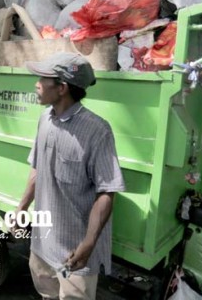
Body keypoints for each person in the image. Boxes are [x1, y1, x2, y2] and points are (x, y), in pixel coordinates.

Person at [14, 52, 125, 300]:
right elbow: (37, 169)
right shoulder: (45, 119)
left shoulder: (97, 131)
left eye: (43, 79)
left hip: (75, 252)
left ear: (62, 87)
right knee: (47, 294)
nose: (36, 84)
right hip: (43, 244)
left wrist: (88, 244)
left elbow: (107, 192)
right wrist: (22, 207)